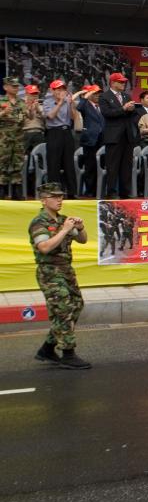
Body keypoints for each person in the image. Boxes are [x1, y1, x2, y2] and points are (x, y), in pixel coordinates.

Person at [29, 182, 90, 369]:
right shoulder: (39, 222)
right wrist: (64, 230)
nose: (59, 200)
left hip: (65, 269)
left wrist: (79, 227)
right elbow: (44, 247)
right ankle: (68, 353)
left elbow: (83, 240)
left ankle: (47, 348)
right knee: (64, 308)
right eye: (55, 197)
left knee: (77, 305)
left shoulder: (62, 220)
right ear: (44, 200)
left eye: (61, 196)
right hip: (49, 271)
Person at [98, 73, 137, 199]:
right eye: (120, 82)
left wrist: (131, 110)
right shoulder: (104, 96)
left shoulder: (126, 96)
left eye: (124, 82)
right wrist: (124, 109)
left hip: (127, 135)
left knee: (127, 165)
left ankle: (125, 191)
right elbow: (107, 113)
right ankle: (112, 191)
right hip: (113, 136)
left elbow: (133, 114)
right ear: (113, 83)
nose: (123, 84)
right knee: (113, 165)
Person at [41, 79, 79, 196]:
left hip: (67, 132)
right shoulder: (47, 102)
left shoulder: (68, 101)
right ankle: (54, 193)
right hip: (54, 133)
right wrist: (61, 102)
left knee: (69, 164)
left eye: (63, 89)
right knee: (54, 164)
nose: (61, 91)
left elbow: (73, 118)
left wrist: (72, 105)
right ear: (52, 91)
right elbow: (51, 116)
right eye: (58, 89)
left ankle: (72, 193)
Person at [0, 77, 24, 199]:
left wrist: (31, 110)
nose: (16, 88)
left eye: (17, 86)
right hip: (4, 139)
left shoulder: (21, 102)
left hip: (18, 139)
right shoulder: (1, 101)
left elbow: (27, 117)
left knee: (17, 165)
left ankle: (16, 192)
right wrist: (3, 113)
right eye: (13, 86)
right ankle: (1, 191)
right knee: (2, 165)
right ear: (5, 87)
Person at [23, 83, 46, 156]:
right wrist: (28, 108)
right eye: (32, 94)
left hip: (39, 133)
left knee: (40, 157)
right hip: (25, 133)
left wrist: (38, 110)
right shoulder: (21, 105)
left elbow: (48, 121)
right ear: (26, 94)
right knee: (23, 158)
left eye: (36, 94)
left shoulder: (43, 106)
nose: (34, 96)